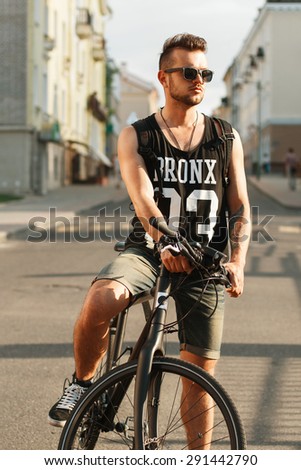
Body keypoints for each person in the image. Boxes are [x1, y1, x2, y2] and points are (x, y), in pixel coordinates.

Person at [48, 33, 251, 448]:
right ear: (164, 77)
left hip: (207, 261)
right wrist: (163, 243)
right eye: (189, 71)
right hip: (149, 251)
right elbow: (143, 201)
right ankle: (83, 383)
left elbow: (240, 208)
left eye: (205, 73)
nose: (199, 79)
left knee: (199, 379)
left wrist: (238, 260)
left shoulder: (225, 137)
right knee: (101, 299)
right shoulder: (137, 135)